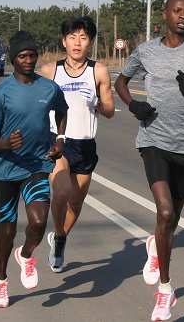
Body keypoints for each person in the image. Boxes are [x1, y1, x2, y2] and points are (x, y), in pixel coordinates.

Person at [114, 0, 184, 321]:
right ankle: (165, 290)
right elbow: (122, 80)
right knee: (164, 211)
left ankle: (155, 247)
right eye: (177, 11)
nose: (183, 16)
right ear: (165, 14)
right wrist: (133, 105)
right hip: (153, 140)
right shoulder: (147, 50)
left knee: (171, 220)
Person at [0, 30, 69, 308]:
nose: (28, 60)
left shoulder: (48, 88)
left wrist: (60, 139)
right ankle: (1, 281)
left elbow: (62, 110)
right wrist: (5, 143)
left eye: (32, 55)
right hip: (6, 169)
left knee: (39, 222)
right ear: (13, 59)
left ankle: (27, 256)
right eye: (22, 56)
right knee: (7, 231)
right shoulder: (2, 92)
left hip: (37, 165)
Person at [39, 16, 115, 273]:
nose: (77, 43)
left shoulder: (99, 71)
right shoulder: (50, 71)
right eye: (72, 37)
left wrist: (96, 102)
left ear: (90, 42)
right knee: (60, 193)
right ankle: (59, 238)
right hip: (57, 141)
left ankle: (59, 238)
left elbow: (110, 110)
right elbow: (35, 104)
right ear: (64, 41)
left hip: (85, 144)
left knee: (76, 202)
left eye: (83, 38)